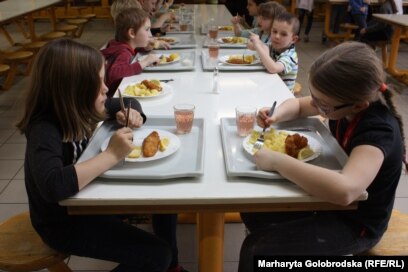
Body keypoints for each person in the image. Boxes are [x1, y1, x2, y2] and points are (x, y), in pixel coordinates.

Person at [238, 42, 406, 271]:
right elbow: (298, 105)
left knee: (258, 249)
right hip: (330, 205)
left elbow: (345, 190)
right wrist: (276, 116)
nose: (316, 106)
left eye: (322, 105)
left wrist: (278, 161)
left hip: (357, 222)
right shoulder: (340, 103)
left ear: (359, 105)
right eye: (315, 97)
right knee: (253, 209)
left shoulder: (378, 131)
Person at [16, 38, 171, 272]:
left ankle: (174, 265)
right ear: (73, 90)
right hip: (62, 223)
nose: (106, 88)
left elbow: (126, 101)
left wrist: (130, 112)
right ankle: (168, 261)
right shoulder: (44, 128)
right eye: (98, 82)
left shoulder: (81, 106)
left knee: (165, 200)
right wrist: (111, 154)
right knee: (158, 254)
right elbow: (53, 185)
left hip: (89, 200)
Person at [102, 8, 160, 97]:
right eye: (147, 29)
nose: (150, 35)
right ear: (132, 33)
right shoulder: (123, 53)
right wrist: (144, 62)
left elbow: (132, 50)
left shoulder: (121, 46)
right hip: (112, 97)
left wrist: (144, 48)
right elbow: (114, 73)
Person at [248, 11, 299, 92]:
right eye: (274, 31)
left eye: (283, 34)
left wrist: (258, 45)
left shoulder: (290, 56)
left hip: (282, 97)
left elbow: (273, 68)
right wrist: (255, 42)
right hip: (270, 87)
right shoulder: (272, 46)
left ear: (293, 39)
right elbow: (251, 46)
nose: (277, 36)